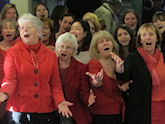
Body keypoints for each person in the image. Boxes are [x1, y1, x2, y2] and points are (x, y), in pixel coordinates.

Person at [0, 13, 73, 124]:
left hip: (45, 110)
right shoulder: (12, 52)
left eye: (28, 27)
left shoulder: (51, 54)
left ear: (39, 32)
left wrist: (60, 101)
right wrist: (4, 93)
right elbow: (10, 80)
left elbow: (55, 84)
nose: (24, 30)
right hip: (20, 110)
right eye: (22, 27)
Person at [111, 23, 165, 124]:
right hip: (140, 111)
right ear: (140, 40)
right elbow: (124, 75)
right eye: (144, 35)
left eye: (151, 34)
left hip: (161, 108)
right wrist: (120, 68)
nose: (148, 38)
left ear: (157, 38)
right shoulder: (133, 58)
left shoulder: (163, 57)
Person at [55, 32, 95, 124]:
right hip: (53, 112)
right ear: (57, 48)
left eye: (68, 47)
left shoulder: (81, 68)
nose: (64, 50)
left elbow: (83, 93)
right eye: (61, 46)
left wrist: (88, 99)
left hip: (74, 112)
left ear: (74, 51)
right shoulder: (50, 65)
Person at [86, 30, 124, 124]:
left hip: (118, 111)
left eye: (108, 40)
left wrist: (121, 71)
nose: (105, 43)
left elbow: (124, 82)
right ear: (96, 48)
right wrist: (97, 81)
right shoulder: (94, 63)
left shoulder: (118, 61)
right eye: (101, 42)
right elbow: (96, 83)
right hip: (101, 114)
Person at [0, 18, 18, 124]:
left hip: (14, 89)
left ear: (16, 32)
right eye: (5, 28)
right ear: (1, 31)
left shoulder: (19, 48)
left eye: (11, 28)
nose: (8, 30)